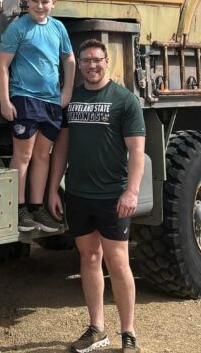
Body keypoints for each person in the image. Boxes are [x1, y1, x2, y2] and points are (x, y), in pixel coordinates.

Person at [47, 38, 146, 353]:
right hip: (77, 193)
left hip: (112, 196)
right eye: (86, 60)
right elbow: (61, 148)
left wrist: (131, 192)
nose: (92, 65)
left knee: (118, 262)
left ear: (107, 62)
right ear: (80, 65)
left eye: (97, 60)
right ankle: (96, 329)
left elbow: (137, 151)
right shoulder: (71, 101)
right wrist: (53, 189)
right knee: (89, 258)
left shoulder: (124, 100)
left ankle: (128, 333)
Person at [0, 0, 75, 233]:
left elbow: (70, 60)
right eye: (34, 1)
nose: (39, 6)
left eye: (44, 2)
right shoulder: (18, 28)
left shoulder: (58, 29)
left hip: (51, 102)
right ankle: (17, 209)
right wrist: (5, 100)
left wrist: (66, 91)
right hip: (25, 99)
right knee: (24, 155)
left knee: (43, 156)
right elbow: (3, 65)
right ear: (27, 1)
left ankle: (36, 208)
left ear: (54, 3)